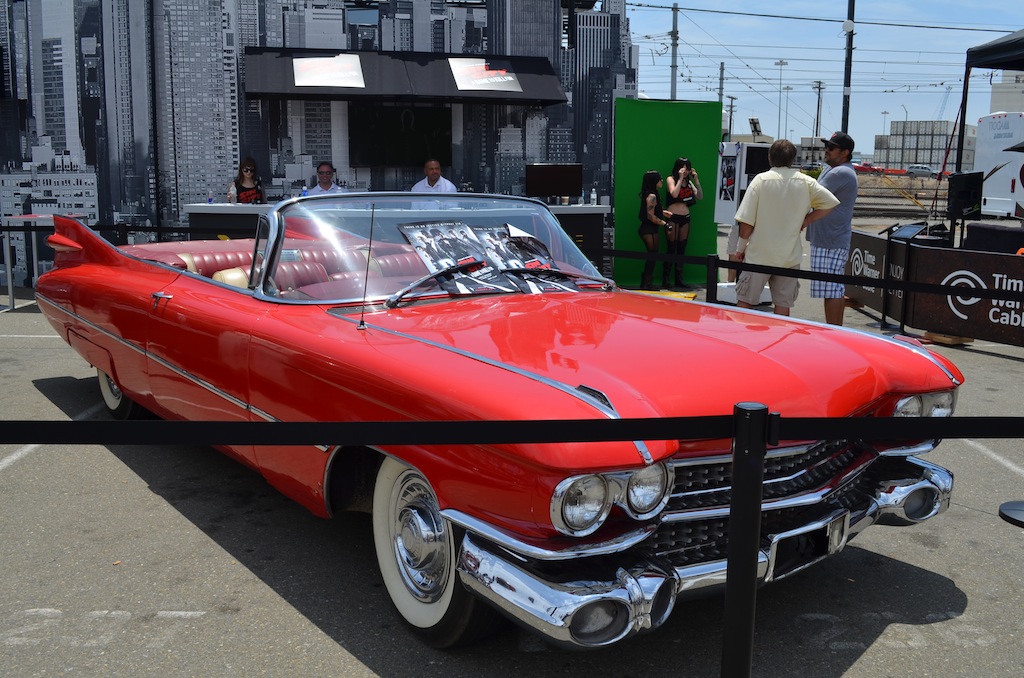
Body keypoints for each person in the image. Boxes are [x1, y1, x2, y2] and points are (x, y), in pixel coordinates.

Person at [733, 139, 839, 316]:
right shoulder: (806, 182)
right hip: (789, 257)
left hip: (759, 255)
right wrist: (807, 220)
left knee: (745, 302)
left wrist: (740, 249)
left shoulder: (760, 180)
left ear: (770, 157)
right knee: (783, 305)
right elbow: (830, 203)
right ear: (793, 159)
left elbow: (746, 223)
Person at [807, 132, 858, 325]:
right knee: (831, 288)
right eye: (826, 146)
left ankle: (835, 332)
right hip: (830, 238)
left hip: (831, 240)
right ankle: (834, 331)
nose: (826, 150)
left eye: (831, 147)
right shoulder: (833, 169)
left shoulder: (840, 172)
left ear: (845, 152)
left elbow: (812, 196)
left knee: (832, 289)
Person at [663, 157, 703, 289]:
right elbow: (674, 194)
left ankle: (679, 278)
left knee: (681, 249)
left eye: (687, 168)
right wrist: (680, 178)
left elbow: (700, 196)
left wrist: (696, 180)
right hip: (672, 216)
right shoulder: (671, 179)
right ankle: (666, 278)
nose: (685, 171)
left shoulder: (689, 182)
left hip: (685, 217)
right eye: (683, 168)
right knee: (671, 247)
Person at [637, 170, 672, 290]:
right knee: (652, 255)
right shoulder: (651, 196)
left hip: (651, 228)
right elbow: (650, 215)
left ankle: (647, 282)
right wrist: (665, 224)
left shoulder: (653, 194)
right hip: (648, 229)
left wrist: (663, 212)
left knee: (653, 255)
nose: (662, 181)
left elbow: (652, 211)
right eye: (659, 179)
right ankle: (646, 283)